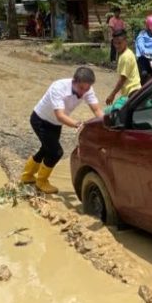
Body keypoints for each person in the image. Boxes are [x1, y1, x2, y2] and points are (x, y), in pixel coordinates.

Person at [20, 66, 104, 194]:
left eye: (86, 89)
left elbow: (96, 110)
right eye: (81, 88)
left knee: (46, 149)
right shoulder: (58, 87)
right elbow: (60, 115)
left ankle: (27, 176)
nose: (83, 92)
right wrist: (78, 124)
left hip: (55, 124)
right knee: (56, 152)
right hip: (41, 120)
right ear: (74, 81)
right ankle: (41, 181)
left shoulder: (87, 89)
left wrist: (105, 123)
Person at [106, 30, 141, 108]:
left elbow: (122, 79)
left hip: (132, 92)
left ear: (125, 41)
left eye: (119, 43)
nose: (117, 46)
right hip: (129, 93)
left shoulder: (126, 56)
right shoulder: (124, 54)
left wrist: (112, 95)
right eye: (115, 43)